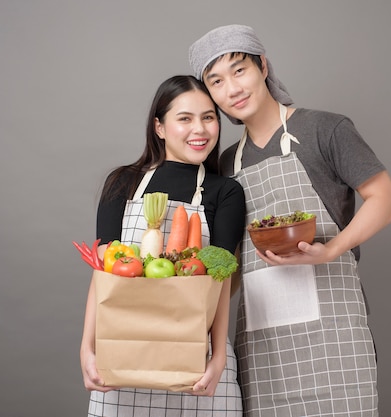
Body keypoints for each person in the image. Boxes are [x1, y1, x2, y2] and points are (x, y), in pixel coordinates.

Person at [189, 25, 391, 417]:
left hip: (334, 338)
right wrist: (193, 305)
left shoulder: (325, 129)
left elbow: (386, 200)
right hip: (262, 339)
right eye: (216, 81)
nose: (232, 89)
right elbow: (234, 260)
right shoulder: (225, 163)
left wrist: (331, 249)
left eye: (240, 71)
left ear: (263, 67)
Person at [80, 75, 246, 416]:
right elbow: (102, 274)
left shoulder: (225, 192)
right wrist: (87, 348)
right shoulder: (122, 183)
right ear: (159, 127)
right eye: (184, 118)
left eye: (208, 117)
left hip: (196, 360)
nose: (199, 130)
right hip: (126, 354)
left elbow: (221, 279)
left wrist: (217, 359)